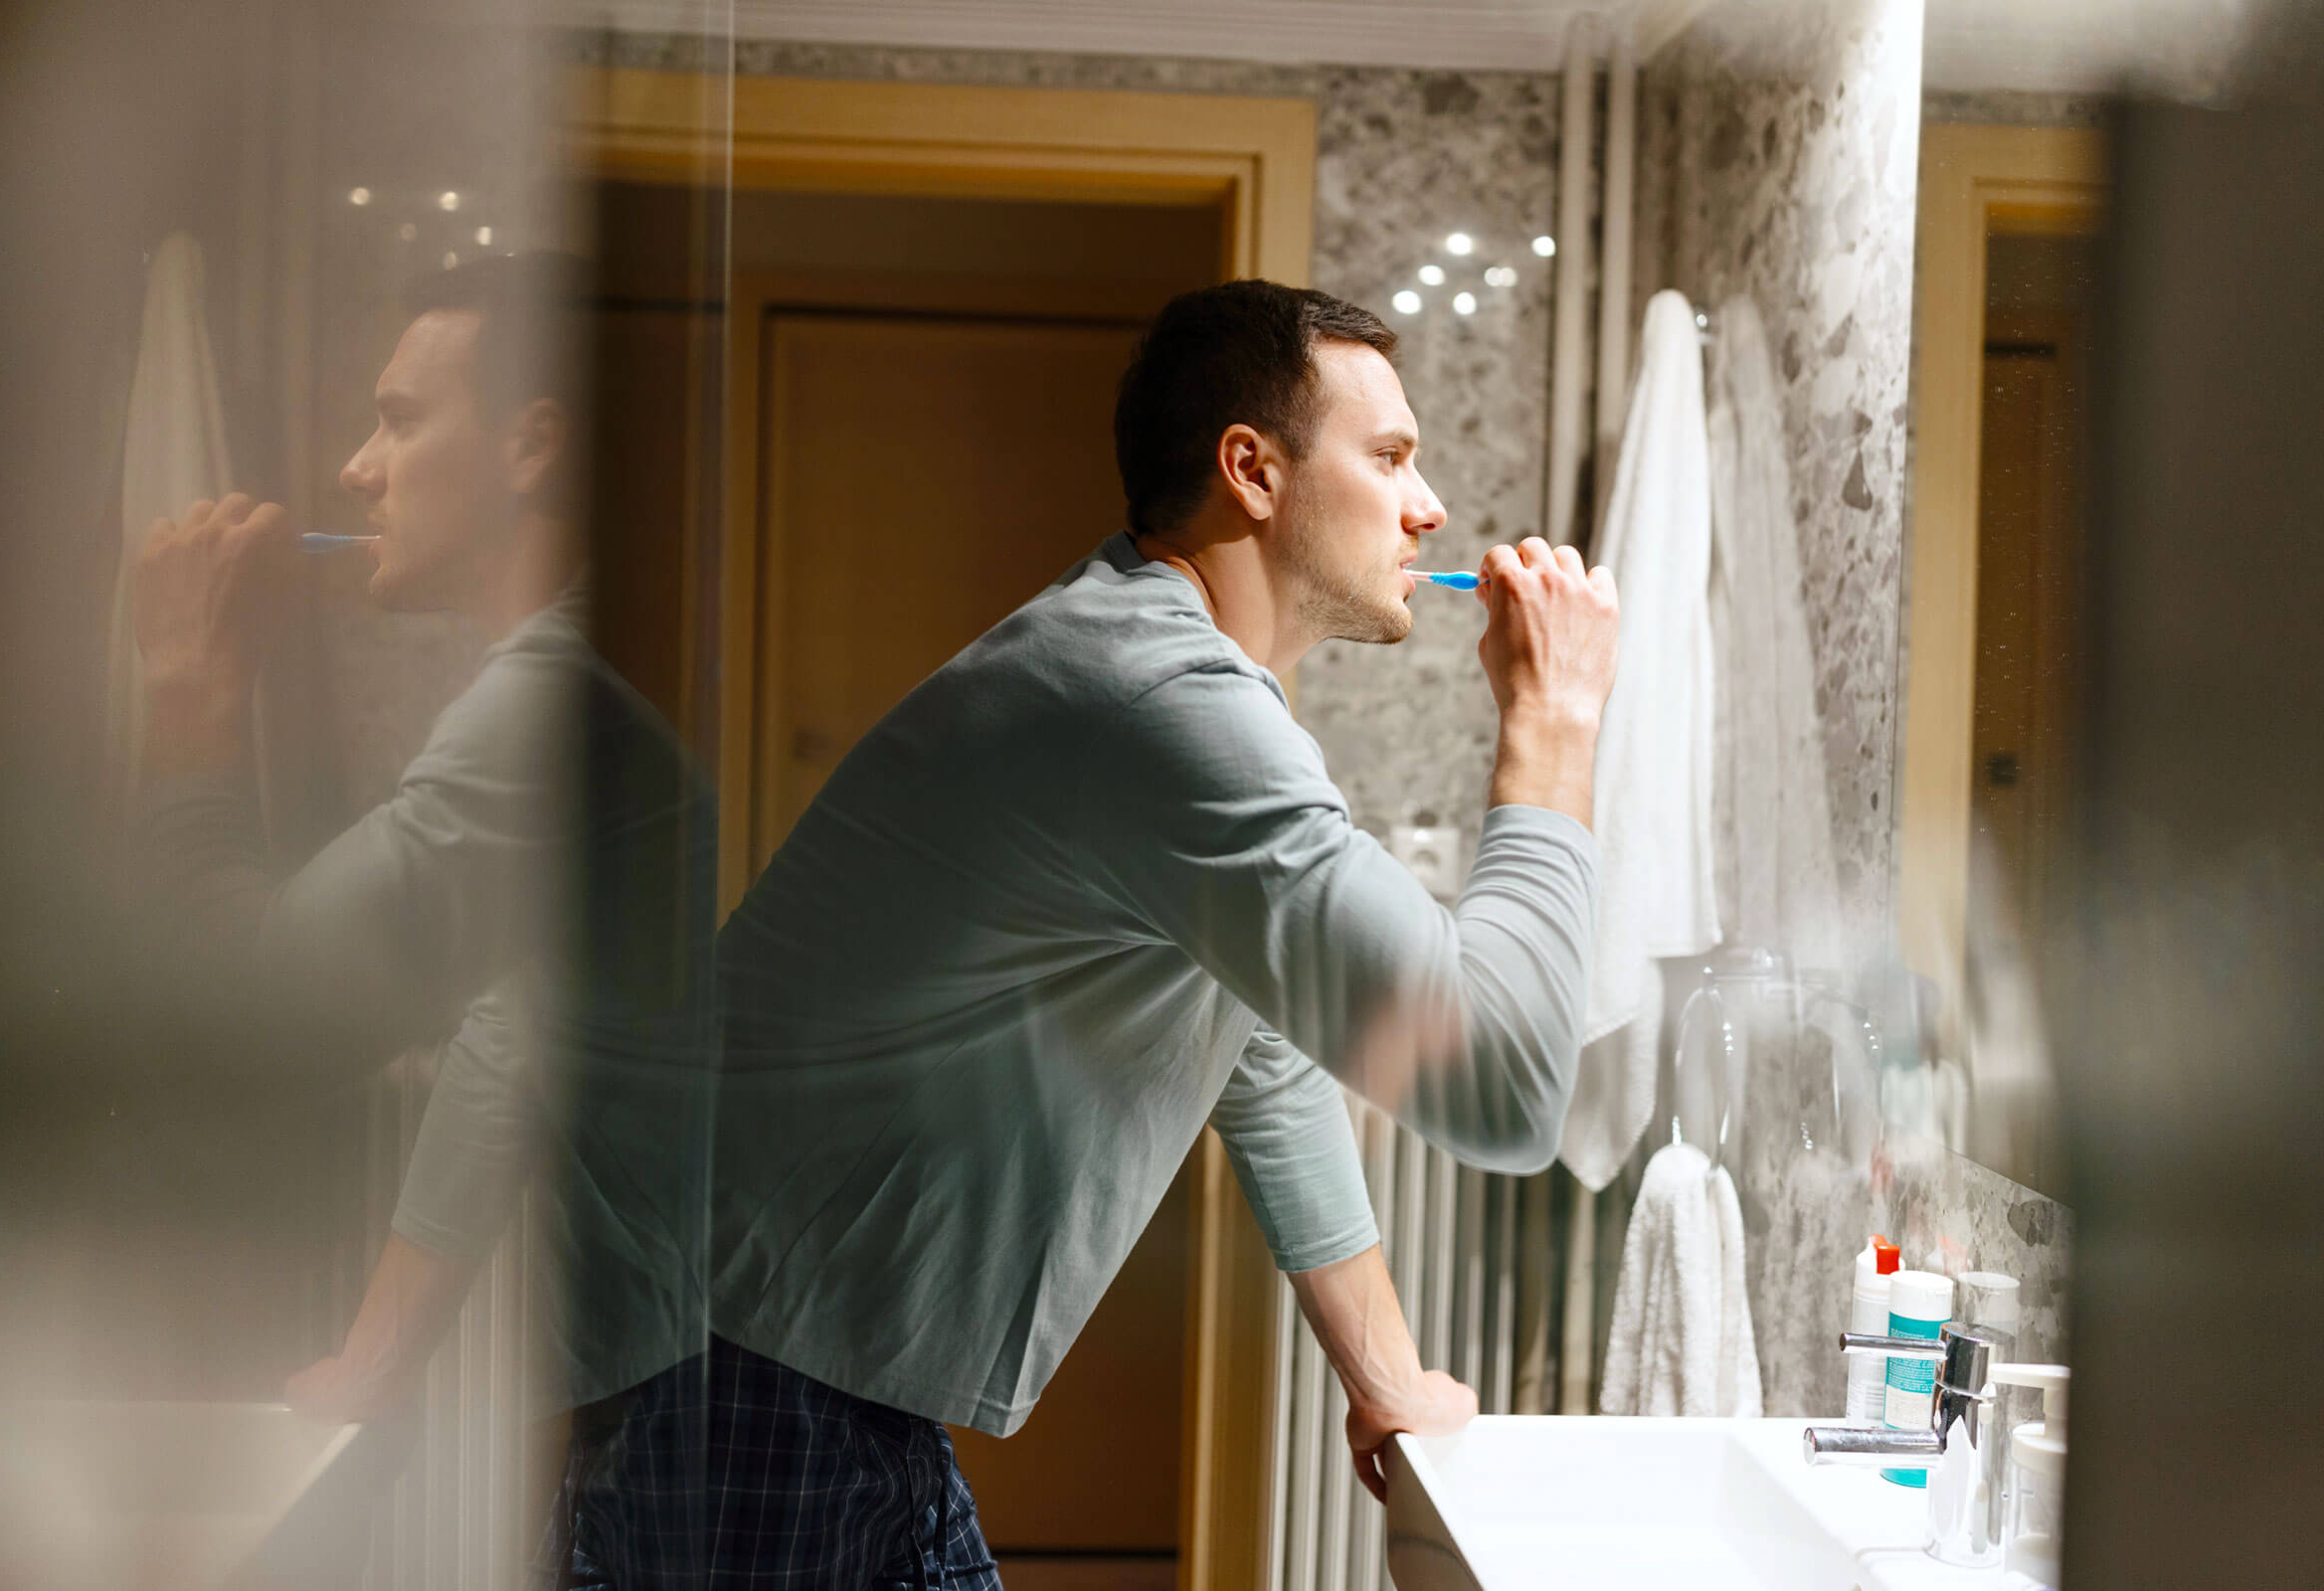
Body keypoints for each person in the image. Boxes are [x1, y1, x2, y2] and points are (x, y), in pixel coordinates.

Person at [548, 279, 1621, 1586]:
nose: (1429, 504)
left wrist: (1387, 1380)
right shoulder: (1156, 697)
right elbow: (1499, 1080)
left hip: (753, 1359)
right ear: (1253, 472)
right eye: (1390, 456)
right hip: (749, 1376)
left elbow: (1258, 1048)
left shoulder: (1169, 675)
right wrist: (1554, 723)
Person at [129, 254, 720, 1456]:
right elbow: (516, 1036)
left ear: (529, 444)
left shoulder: (547, 706)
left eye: (399, 419)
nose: (357, 467)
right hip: (699, 1366)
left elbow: (245, 1019)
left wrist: (187, 689)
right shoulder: (586, 673)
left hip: (675, 1397)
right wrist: (374, 1357)